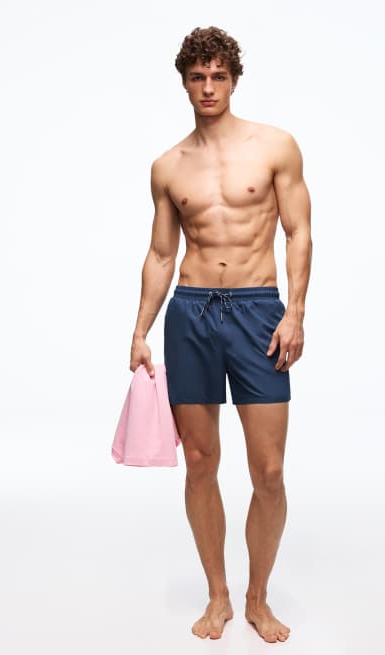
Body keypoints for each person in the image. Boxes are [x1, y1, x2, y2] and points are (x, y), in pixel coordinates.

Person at [129, 26, 312, 644]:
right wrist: (140, 330)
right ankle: (219, 596)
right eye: (197, 77)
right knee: (201, 462)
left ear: (234, 80)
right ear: (184, 83)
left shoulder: (275, 146)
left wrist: (295, 311)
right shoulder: (167, 166)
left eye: (218, 76)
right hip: (191, 312)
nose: (208, 87)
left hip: (259, 311)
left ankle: (259, 597)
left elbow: (298, 233)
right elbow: (161, 254)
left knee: (270, 470)